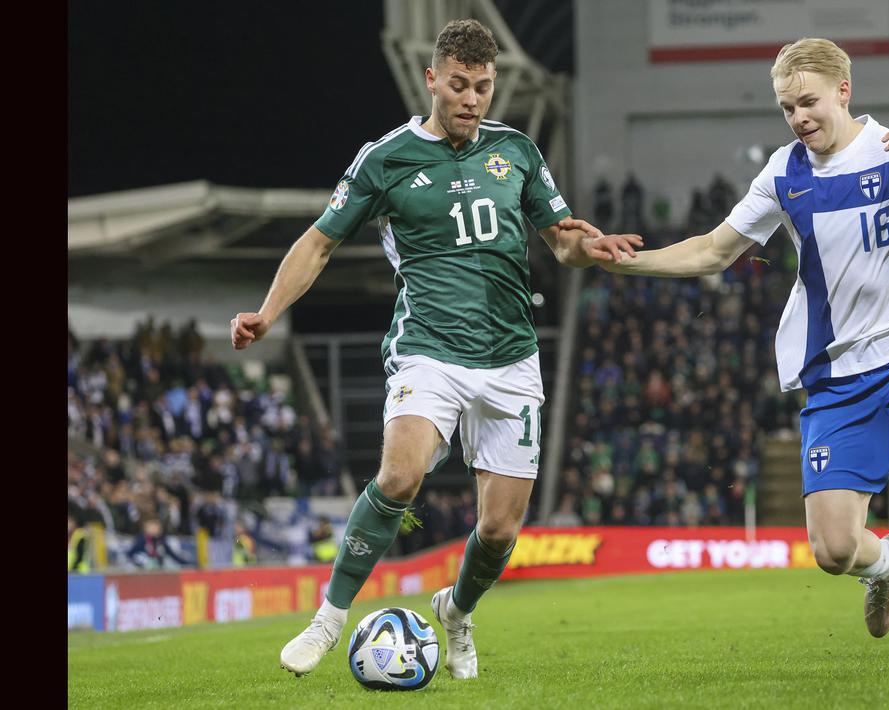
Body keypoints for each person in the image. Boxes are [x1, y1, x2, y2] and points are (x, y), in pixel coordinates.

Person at [565, 37, 889, 663]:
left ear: (843, 92)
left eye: (807, 102)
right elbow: (712, 249)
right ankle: (884, 562)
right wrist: (620, 262)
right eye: (786, 108)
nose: (799, 118)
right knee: (833, 553)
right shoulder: (784, 172)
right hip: (837, 373)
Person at [230, 19, 640, 680]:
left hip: (510, 356)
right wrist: (267, 311)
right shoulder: (385, 158)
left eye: (482, 86)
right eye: (458, 85)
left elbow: (558, 241)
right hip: (429, 349)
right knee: (400, 475)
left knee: (501, 531)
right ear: (431, 78)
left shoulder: (518, 153)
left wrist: (584, 248)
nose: (472, 99)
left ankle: (456, 611)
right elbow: (319, 242)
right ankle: (328, 620)